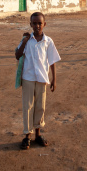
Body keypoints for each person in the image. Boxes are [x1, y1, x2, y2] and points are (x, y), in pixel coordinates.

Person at [15, 12, 61, 150]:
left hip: (42, 79)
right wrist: (24, 41)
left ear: (44, 24)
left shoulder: (48, 41)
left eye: (40, 23)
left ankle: (38, 134)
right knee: (28, 107)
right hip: (28, 78)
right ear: (30, 24)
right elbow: (17, 55)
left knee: (40, 106)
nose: (37, 26)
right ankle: (27, 135)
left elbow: (52, 61)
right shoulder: (27, 40)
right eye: (34, 23)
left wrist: (54, 79)